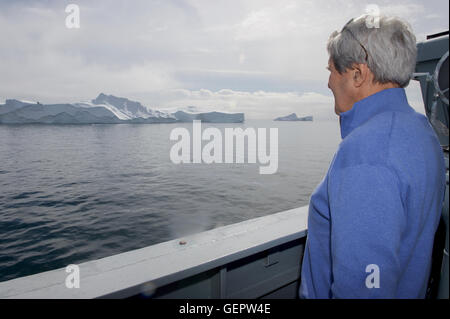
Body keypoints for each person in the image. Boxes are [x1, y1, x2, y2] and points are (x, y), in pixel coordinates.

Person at [299, 15, 446, 298]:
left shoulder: (366, 154)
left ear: (358, 74)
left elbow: (363, 289)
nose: (329, 82)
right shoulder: (421, 131)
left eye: (332, 71)